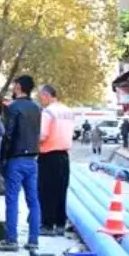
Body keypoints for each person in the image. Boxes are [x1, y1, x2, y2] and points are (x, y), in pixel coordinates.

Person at [0, 75, 42, 251]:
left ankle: (11, 240)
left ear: (19, 87)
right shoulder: (37, 108)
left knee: (12, 200)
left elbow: (8, 135)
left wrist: (2, 158)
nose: (13, 88)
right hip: (32, 160)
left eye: (14, 86)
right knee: (33, 200)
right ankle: (33, 240)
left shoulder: (12, 108)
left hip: (16, 159)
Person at [37, 84, 75, 236]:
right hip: (64, 155)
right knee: (61, 190)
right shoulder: (67, 111)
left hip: (48, 155)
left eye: (41, 97)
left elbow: (42, 134)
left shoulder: (48, 112)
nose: (41, 101)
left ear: (46, 95)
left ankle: (47, 225)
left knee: (46, 191)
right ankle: (60, 223)